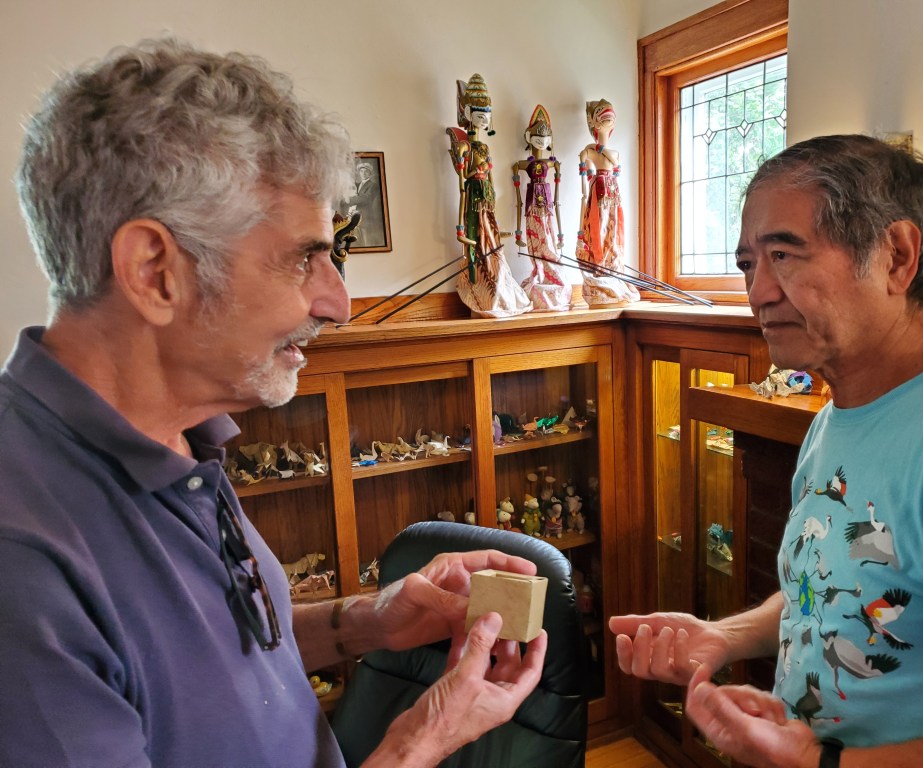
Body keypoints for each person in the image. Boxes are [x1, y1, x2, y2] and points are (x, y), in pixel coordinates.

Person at [0, 38, 546, 768]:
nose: (338, 303)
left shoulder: (183, 438)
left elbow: (212, 662)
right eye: (303, 258)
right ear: (154, 271)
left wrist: (370, 620)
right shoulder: (23, 564)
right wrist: (422, 741)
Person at [610, 135, 923, 767]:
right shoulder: (837, 416)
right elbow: (838, 587)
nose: (758, 291)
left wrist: (822, 763)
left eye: (785, 254)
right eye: (749, 263)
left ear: (896, 256)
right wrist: (725, 636)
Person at [446, 73, 532, 318]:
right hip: (473, 193)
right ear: (468, 112)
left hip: (486, 196)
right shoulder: (465, 146)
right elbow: (463, 182)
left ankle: (496, 282)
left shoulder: (484, 147)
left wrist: (493, 197)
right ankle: (480, 284)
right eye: (480, 114)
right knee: (476, 235)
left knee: (491, 237)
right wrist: (460, 227)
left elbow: (491, 178)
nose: (485, 120)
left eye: (487, 115)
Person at [575, 98, 639, 307]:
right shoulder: (589, 151)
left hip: (613, 194)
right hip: (598, 194)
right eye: (601, 114)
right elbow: (584, 184)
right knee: (598, 231)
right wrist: (582, 219)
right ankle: (599, 272)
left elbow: (615, 162)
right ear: (593, 121)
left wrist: (598, 148)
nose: (607, 118)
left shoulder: (606, 152)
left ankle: (613, 272)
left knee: (614, 232)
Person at [512, 104, 572, 312]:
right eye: (537, 135)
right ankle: (540, 275)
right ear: (529, 137)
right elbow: (518, 200)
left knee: (549, 241)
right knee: (535, 244)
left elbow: (557, 200)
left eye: (546, 136)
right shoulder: (521, 164)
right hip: (531, 206)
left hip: (546, 207)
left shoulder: (554, 164)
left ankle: (552, 277)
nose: (542, 140)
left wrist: (561, 234)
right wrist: (518, 232)